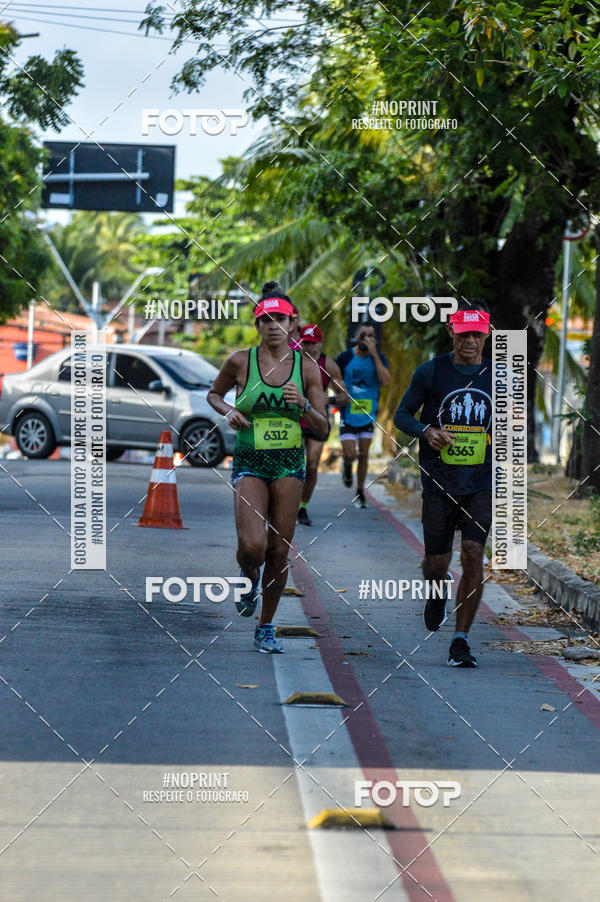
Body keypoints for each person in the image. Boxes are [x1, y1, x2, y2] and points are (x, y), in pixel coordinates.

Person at [207, 283, 328, 653]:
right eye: (266, 319)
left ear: (293, 324)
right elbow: (214, 394)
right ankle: (247, 572)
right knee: (252, 545)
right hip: (251, 459)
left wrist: (305, 407)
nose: (274, 325)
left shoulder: (306, 368)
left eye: (281, 319)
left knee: (278, 549)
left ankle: (265, 627)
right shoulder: (240, 361)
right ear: (257, 325)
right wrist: (230, 411)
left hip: (289, 462)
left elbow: (323, 428)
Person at [393, 299, 492, 668]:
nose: (470, 341)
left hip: (480, 483)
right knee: (437, 563)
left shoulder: (497, 377)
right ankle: (437, 595)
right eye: (463, 333)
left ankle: (461, 640)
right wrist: (426, 430)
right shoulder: (431, 372)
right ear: (451, 331)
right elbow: (401, 415)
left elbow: (511, 427)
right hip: (438, 482)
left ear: (486, 334)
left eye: (477, 334)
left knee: (472, 555)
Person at [297, 324, 349, 526]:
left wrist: (328, 401)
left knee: (311, 465)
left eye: (313, 344)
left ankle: (303, 507)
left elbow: (344, 396)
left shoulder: (328, 365)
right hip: (293, 419)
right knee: (291, 465)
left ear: (321, 343)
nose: (309, 348)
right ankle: (283, 505)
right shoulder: (291, 360)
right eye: (306, 343)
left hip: (317, 420)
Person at [336, 323, 390, 508]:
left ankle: (360, 491)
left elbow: (385, 381)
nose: (366, 338)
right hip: (348, 413)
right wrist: (340, 394)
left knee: (364, 454)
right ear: (356, 336)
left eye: (371, 335)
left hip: (368, 414)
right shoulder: (345, 357)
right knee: (350, 453)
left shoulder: (379, 358)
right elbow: (333, 380)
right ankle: (347, 465)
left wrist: (374, 354)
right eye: (363, 334)